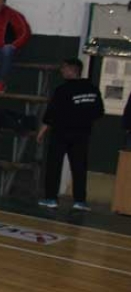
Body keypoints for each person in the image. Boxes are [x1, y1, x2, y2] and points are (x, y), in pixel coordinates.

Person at [37, 58, 104, 210]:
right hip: (82, 134)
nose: (62, 71)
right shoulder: (92, 88)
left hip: (61, 133)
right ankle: (80, 201)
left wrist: (41, 131)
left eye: (64, 68)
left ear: (72, 70)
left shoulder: (62, 90)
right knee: (79, 166)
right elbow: (99, 111)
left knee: (54, 165)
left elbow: (51, 114)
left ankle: (51, 198)